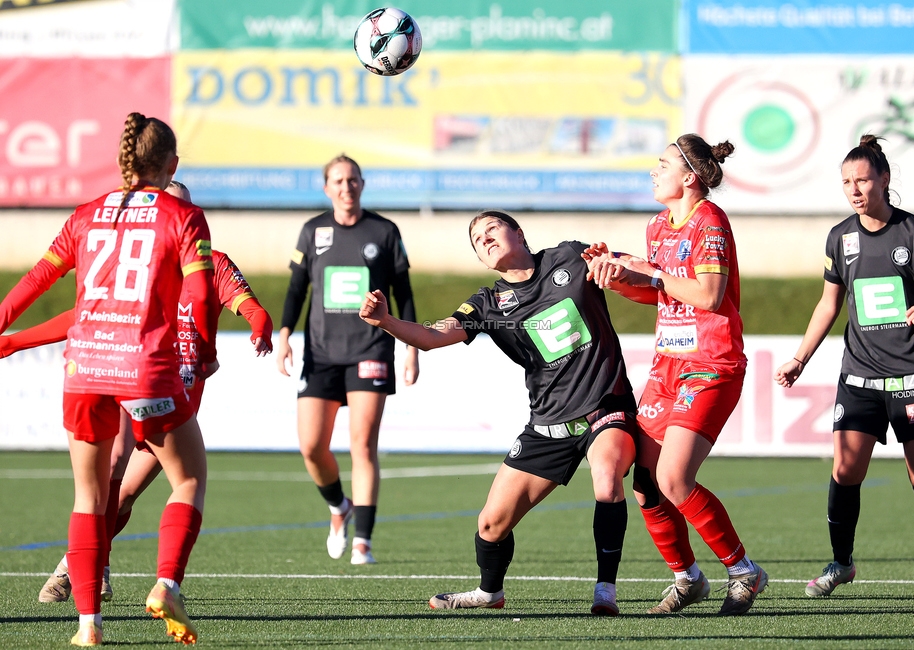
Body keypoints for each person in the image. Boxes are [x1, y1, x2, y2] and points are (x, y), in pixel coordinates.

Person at [0, 113, 217, 646]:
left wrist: (2, 322)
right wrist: (204, 351)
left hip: (84, 366)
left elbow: (40, 276)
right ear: (170, 164)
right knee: (187, 479)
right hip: (144, 366)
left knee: (88, 496)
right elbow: (202, 294)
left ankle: (88, 625)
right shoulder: (183, 216)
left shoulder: (87, 214)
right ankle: (167, 583)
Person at [10, 180, 275, 606]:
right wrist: (15, 342)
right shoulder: (136, 265)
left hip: (172, 400)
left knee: (126, 491)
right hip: (132, 380)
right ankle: (87, 573)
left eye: (181, 207)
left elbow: (250, 305)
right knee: (111, 469)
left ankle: (79, 570)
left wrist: (258, 326)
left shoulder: (212, 263)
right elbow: (81, 317)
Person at [360, 210, 638, 615]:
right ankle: (490, 592)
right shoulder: (487, 303)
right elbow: (434, 336)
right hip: (547, 422)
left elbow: (629, 267)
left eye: (491, 228)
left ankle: (605, 591)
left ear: (519, 234)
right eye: (477, 239)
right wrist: (385, 320)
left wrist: (618, 266)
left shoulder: (568, 257)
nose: (484, 238)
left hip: (605, 406)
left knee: (607, 476)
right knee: (490, 525)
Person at [774, 135, 914, 599]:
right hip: (859, 377)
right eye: (846, 182)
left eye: (862, 179)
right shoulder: (839, 238)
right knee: (845, 470)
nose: (854, 189)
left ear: (884, 179)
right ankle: (841, 563)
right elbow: (828, 305)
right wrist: (800, 358)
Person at [583, 134, 767, 616]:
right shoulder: (658, 225)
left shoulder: (710, 220)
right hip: (669, 365)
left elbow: (707, 295)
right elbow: (662, 296)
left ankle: (744, 570)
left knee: (673, 476)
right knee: (645, 480)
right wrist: (620, 276)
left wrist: (653, 273)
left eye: (662, 164)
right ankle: (688, 578)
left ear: (689, 176)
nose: (653, 171)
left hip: (712, 364)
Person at [277, 154, 419, 565]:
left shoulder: (385, 231)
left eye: (353, 179)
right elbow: (295, 290)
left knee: (362, 444)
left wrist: (411, 348)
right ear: (327, 188)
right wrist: (285, 336)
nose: (346, 186)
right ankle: (339, 505)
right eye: (338, 181)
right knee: (310, 446)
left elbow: (405, 293)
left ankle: (364, 541)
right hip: (321, 353)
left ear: (362, 184)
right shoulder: (312, 231)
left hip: (370, 349)